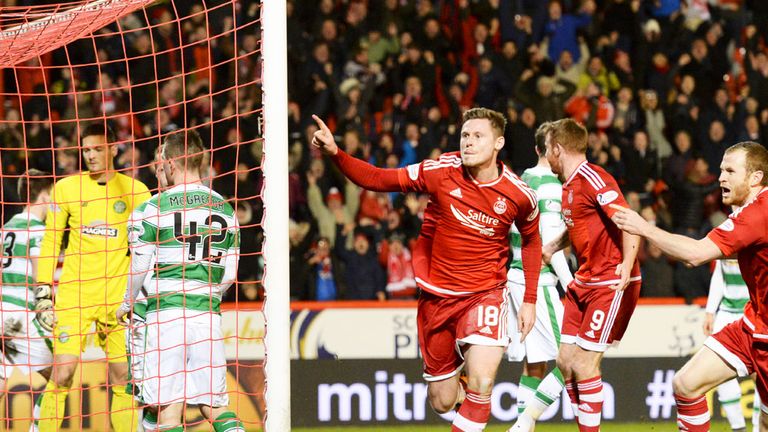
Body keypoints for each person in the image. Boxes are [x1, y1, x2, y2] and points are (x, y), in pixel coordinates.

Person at [311, 107, 542, 431]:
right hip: (437, 298)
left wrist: (529, 299)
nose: (469, 142)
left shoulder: (519, 195)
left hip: (485, 294)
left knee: (482, 381)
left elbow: (532, 241)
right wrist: (336, 153)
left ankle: (474, 389)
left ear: (498, 143)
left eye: (478, 136)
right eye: (465, 135)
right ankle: (463, 388)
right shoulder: (440, 170)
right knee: (442, 400)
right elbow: (379, 179)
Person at [610, 141, 768, 431]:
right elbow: (695, 253)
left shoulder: (757, 214)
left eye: (730, 171)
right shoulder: (752, 212)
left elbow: (695, 254)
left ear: (755, 177)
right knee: (686, 384)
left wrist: (644, 227)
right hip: (753, 325)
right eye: (721, 169)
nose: (721, 178)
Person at [512, 118, 641, 432]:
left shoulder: (594, 177)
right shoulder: (567, 186)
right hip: (585, 279)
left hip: (610, 279)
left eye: (549, 150)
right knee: (564, 360)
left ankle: (537, 423)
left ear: (557, 149)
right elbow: (578, 225)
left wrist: (627, 263)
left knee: (583, 364)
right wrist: (553, 245)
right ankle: (557, 422)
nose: (548, 155)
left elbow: (628, 219)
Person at [117, 129, 244, 432]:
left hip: (166, 316)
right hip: (207, 316)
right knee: (215, 407)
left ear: (171, 164)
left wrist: (126, 303)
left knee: (168, 413)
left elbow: (141, 264)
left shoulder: (150, 209)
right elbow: (230, 274)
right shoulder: (226, 209)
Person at [35, 124, 151, 432]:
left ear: (114, 149)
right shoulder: (67, 188)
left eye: (98, 149)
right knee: (62, 374)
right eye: (86, 149)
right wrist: (43, 290)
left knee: (122, 377)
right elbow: (51, 241)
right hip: (75, 296)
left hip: (117, 297)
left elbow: (146, 247)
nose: (90, 155)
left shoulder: (136, 192)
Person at [505, 122, 573, 420]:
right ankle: (524, 423)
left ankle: (523, 424)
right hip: (540, 280)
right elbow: (549, 241)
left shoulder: (524, 180)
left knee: (535, 365)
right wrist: (571, 284)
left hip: (518, 275)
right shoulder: (550, 184)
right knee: (571, 359)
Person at [0, 170, 54, 428]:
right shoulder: (39, 231)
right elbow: (39, 275)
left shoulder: (6, 228)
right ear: (46, 194)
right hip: (22, 314)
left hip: (2, 310)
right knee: (61, 367)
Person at [704, 257, 760, 431]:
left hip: (754, 314)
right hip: (727, 314)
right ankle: (738, 427)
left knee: (761, 377)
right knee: (719, 372)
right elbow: (719, 276)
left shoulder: (758, 238)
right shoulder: (726, 238)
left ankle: (760, 427)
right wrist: (710, 311)